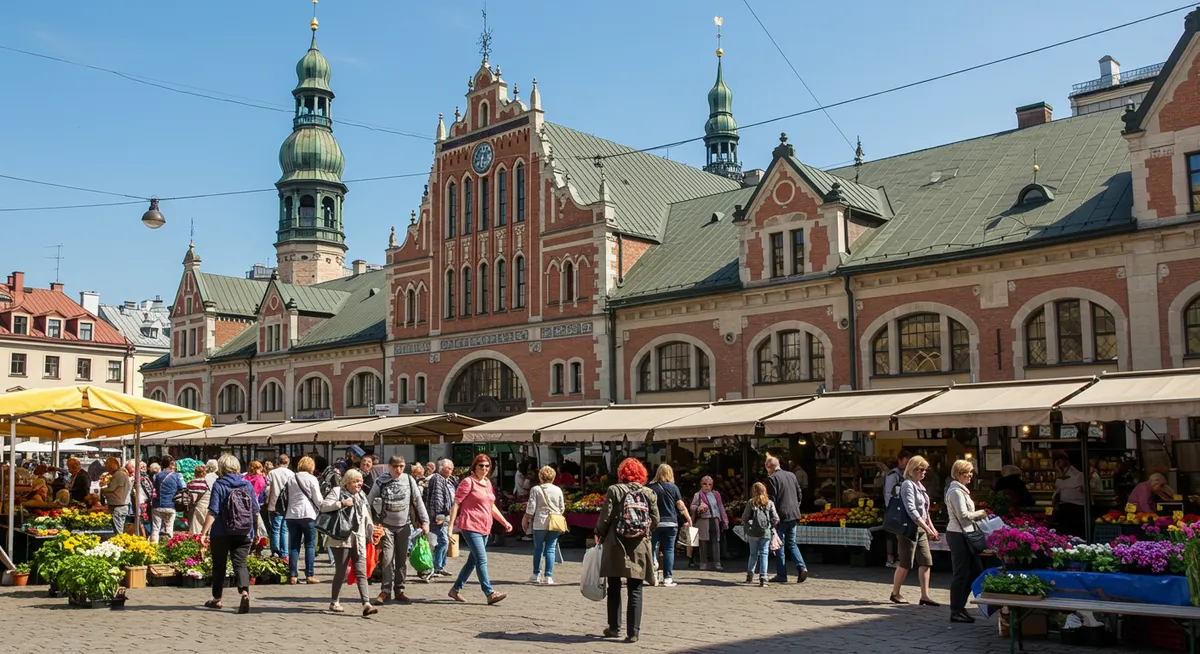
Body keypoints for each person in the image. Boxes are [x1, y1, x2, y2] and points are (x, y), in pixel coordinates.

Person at [595, 458, 658, 644]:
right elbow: (656, 518)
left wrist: (599, 532)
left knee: (614, 586)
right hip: (639, 545)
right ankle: (633, 632)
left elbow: (605, 517)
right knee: (635, 589)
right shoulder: (649, 493)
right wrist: (643, 532)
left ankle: (614, 627)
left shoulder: (615, 490)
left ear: (622, 473)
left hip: (616, 544)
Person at [447, 454, 512, 605]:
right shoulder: (468, 482)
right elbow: (456, 504)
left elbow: (491, 506)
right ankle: (489, 593)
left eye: (487, 466)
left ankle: (455, 589)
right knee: (482, 559)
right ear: (474, 467)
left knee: (473, 561)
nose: (484, 468)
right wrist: (450, 527)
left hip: (485, 526)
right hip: (470, 525)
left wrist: (504, 522)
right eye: (481, 465)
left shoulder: (487, 483)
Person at [199, 454, 259, 614]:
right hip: (244, 531)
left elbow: (213, 510)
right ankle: (244, 593)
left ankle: (217, 598)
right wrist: (255, 531)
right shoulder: (247, 484)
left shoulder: (219, 484)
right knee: (240, 563)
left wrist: (203, 533)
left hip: (221, 532)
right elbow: (255, 510)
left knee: (219, 565)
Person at [367, 455, 430, 604]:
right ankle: (385, 591)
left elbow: (418, 501)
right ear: (390, 467)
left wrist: (425, 521)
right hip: (386, 526)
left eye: (401, 466)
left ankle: (399, 590)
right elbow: (368, 501)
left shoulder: (409, 480)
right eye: (395, 466)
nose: (398, 470)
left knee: (401, 560)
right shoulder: (381, 481)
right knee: (387, 559)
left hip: (404, 526)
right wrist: (371, 523)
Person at [320, 469, 379, 617]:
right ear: (347, 482)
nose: (359, 484)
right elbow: (324, 506)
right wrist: (341, 503)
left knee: (361, 572)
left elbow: (366, 517)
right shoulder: (337, 491)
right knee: (341, 571)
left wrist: (372, 531)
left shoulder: (361, 495)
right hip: (341, 538)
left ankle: (366, 604)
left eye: (360, 481)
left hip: (358, 538)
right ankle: (334, 601)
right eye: (355, 481)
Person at [890, 455, 940, 606]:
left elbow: (925, 511)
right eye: (920, 469)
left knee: (926, 561)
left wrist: (932, 528)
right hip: (909, 528)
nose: (923, 472)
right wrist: (927, 528)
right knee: (906, 562)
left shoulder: (920, 486)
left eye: (925, 470)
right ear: (912, 469)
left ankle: (925, 596)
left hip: (921, 527)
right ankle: (895, 593)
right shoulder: (907, 485)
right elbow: (911, 510)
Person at [945, 459, 986, 623]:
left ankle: (960, 607)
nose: (970, 475)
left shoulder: (961, 490)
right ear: (957, 474)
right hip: (958, 535)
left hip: (965, 534)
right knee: (960, 573)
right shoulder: (956, 491)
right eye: (966, 472)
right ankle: (956, 610)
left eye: (970, 472)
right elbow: (963, 515)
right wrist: (980, 513)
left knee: (975, 571)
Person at [764, 456, 809, 583]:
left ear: (768, 466)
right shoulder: (791, 475)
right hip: (793, 514)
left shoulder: (771, 479)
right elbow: (799, 494)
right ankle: (802, 567)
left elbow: (772, 500)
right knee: (792, 543)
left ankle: (782, 574)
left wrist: (771, 517)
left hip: (780, 516)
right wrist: (796, 507)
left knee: (779, 544)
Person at [647, 463, 690, 587]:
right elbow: (680, 506)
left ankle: (653, 570)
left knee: (651, 547)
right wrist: (688, 518)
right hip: (671, 522)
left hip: (655, 522)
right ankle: (668, 578)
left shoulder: (651, 488)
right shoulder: (673, 488)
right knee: (669, 550)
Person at [522, 465, 565, 585]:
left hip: (540, 522)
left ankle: (536, 574)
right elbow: (562, 508)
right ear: (553, 477)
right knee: (550, 549)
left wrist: (526, 518)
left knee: (538, 548)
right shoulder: (558, 490)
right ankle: (548, 576)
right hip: (554, 522)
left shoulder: (536, 489)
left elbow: (531, 508)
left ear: (540, 477)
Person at [286, 456, 324, 585]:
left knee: (294, 546)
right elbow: (318, 499)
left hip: (292, 514)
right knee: (310, 545)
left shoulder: (291, 478)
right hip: (308, 514)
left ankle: (293, 575)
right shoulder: (312, 479)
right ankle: (309, 575)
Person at [743, 482, 780, 587]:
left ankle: (750, 575)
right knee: (764, 554)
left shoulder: (751, 502)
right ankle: (763, 577)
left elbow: (745, 517)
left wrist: (748, 526)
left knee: (753, 554)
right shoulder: (769, 502)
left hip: (753, 532)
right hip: (765, 532)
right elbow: (776, 518)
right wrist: (770, 526)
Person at [688, 475, 728, 571]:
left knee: (716, 541)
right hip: (703, 520)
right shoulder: (698, 495)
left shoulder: (716, 494)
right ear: (701, 484)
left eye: (710, 484)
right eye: (705, 484)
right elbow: (692, 506)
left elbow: (720, 507)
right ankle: (703, 562)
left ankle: (717, 563)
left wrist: (725, 520)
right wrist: (699, 507)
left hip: (714, 519)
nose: (707, 486)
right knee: (703, 542)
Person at [426, 458, 457, 577]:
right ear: (442, 469)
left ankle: (440, 566)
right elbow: (437, 499)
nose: (451, 470)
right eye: (449, 468)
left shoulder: (445, 480)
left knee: (443, 541)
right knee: (442, 541)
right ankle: (437, 567)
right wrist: (439, 516)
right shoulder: (438, 479)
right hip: (439, 516)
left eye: (452, 468)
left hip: (444, 516)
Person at [883, 450, 912, 568]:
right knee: (892, 534)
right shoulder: (893, 475)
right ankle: (890, 559)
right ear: (900, 460)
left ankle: (901, 558)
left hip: (905, 509)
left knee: (901, 534)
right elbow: (889, 494)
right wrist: (892, 508)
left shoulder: (908, 474)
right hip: (894, 508)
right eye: (906, 461)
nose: (908, 464)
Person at [265, 454, 295, 557]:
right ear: (288, 462)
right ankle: (285, 552)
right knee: (285, 529)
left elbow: (267, 489)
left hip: (274, 503)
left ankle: (275, 551)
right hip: (287, 504)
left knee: (275, 528)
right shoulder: (291, 474)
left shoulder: (272, 473)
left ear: (278, 461)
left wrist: (266, 500)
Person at [151, 456, 185, 544]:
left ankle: (153, 548)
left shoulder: (156, 476)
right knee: (169, 529)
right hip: (171, 505)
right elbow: (183, 487)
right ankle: (168, 547)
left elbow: (154, 487)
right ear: (171, 465)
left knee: (155, 529)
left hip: (157, 505)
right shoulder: (177, 476)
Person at [1052, 456, 1086, 538]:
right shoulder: (1079, 475)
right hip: (1075, 508)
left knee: (1069, 532)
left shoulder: (1075, 476)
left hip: (1072, 508)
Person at [101, 457, 130, 534]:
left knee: (118, 530)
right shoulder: (121, 473)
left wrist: (102, 490)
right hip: (121, 505)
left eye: (107, 467)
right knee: (119, 528)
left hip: (118, 506)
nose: (106, 469)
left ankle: (119, 541)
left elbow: (111, 488)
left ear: (111, 466)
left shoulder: (118, 474)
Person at [187, 464, 211, 534]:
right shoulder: (207, 483)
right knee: (206, 529)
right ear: (204, 473)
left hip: (193, 509)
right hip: (206, 507)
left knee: (194, 529)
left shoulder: (190, 483)